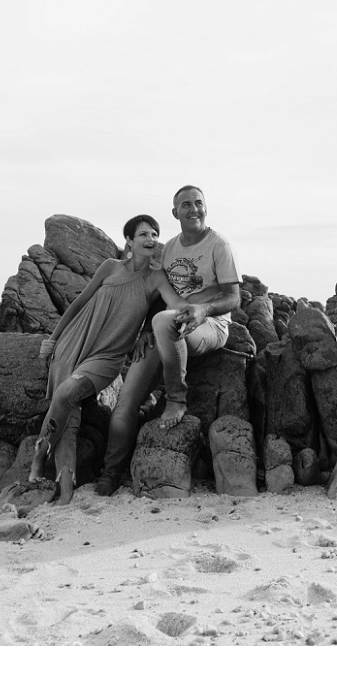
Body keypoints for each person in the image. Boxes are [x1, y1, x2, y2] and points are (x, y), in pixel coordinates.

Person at [93, 184, 241, 496]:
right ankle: (111, 472)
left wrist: (203, 310)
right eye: (186, 205)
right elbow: (161, 298)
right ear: (175, 212)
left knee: (164, 321)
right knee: (125, 404)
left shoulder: (218, 245)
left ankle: (176, 399)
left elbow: (233, 298)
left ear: (206, 207)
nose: (194, 209)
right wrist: (147, 329)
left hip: (208, 327)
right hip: (168, 329)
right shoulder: (170, 249)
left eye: (198, 203)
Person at [32, 214, 186, 504]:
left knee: (66, 393)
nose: (150, 239)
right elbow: (79, 303)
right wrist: (53, 338)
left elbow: (178, 304)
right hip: (76, 340)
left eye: (154, 234)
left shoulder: (156, 278)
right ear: (128, 241)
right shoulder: (110, 267)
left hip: (108, 356)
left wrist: (201, 307)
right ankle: (65, 492)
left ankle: (41, 450)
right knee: (69, 414)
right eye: (142, 234)